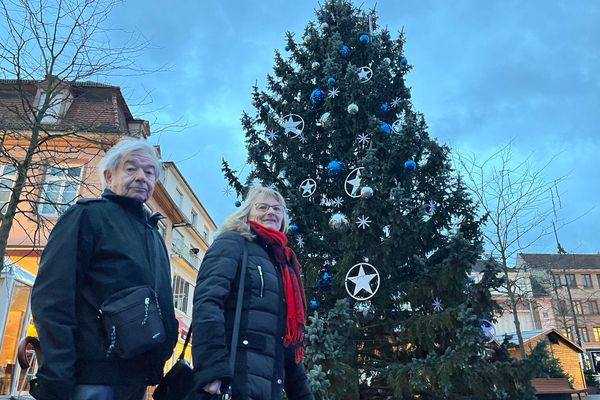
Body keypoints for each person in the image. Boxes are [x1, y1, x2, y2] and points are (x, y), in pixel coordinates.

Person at [30, 138, 178, 400]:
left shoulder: (153, 234)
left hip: (135, 379)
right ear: (109, 176)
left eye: (149, 171)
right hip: (92, 378)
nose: (142, 177)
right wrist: (58, 373)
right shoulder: (87, 217)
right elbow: (53, 298)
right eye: (131, 169)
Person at [190, 186, 314, 400]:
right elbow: (208, 303)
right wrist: (212, 370)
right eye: (262, 207)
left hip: (267, 383)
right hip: (233, 378)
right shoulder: (233, 243)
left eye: (277, 209)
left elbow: (284, 338)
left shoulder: (282, 263)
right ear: (247, 212)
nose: (271, 212)